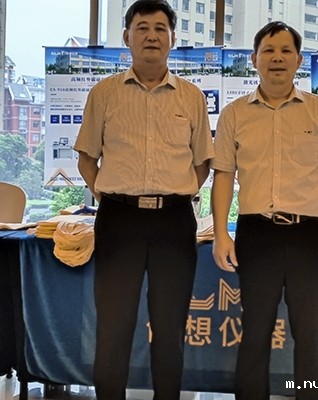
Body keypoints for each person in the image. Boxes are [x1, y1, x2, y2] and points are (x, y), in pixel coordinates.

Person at [73, 1, 214, 399]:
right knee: (113, 327)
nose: (151, 35)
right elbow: (86, 158)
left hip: (174, 222)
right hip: (119, 221)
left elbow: (202, 162)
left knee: (170, 328)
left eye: (160, 28)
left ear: (172, 38)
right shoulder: (104, 93)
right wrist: (110, 193)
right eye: (142, 27)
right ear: (127, 37)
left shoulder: (191, 97)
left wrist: (178, 192)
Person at [211, 21, 318, 400]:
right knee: (255, 332)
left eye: (286, 50)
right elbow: (223, 177)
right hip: (256, 234)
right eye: (269, 50)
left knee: (310, 334)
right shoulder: (234, 114)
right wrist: (221, 233)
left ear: (299, 60)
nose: (277, 58)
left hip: (309, 235)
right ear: (254, 59)